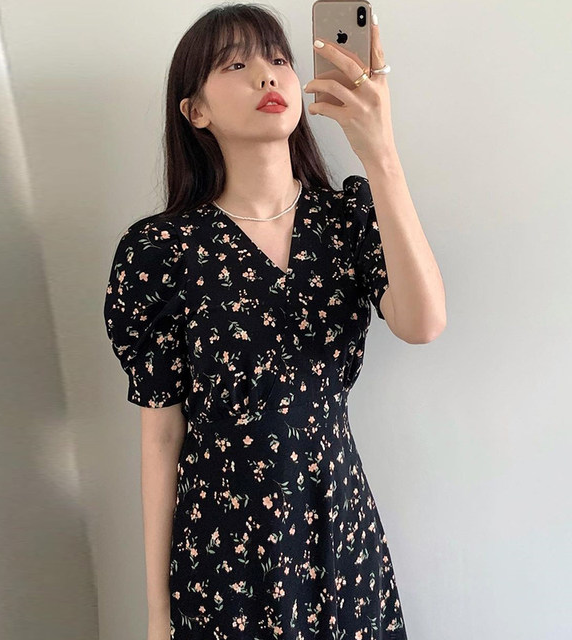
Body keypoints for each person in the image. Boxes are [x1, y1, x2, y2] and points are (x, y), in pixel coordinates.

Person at [104, 3, 445, 639]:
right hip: (222, 549)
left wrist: (380, 153)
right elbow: (161, 436)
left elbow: (423, 323)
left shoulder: (346, 219)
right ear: (195, 111)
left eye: (279, 59)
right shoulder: (160, 250)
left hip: (337, 530)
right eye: (236, 65)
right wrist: (157, 614)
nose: (267, 76)